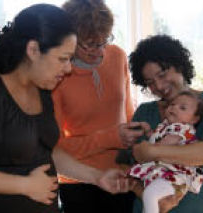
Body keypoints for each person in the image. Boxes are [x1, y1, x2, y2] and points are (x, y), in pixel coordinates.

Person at [0, 4, 129, 213]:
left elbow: (47, 152)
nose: (68, 68)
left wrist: (96, 176)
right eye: (63, 59)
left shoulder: (42, 91)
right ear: (33, 50)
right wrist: (24, 185)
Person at [124, 34, 203, 213]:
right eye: (150, 82)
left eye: (162, 74)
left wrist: (152, 151)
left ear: (180, 66)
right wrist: (148, 196)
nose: (159, 86)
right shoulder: (145, 111)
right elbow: (132, 168)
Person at [52, 0, 142, 212]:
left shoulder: (118, 56)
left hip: (123, 176)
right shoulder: (55, 73)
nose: (100, 51)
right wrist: (110, 138)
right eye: (90, 44)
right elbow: (54, 148)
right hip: (79, 181)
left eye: (104, 41)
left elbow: (128, 115)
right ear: (69, 39)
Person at [129, 91, 203, 213]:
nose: (174, 108)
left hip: (175, 176)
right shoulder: (165, 126)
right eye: (172, 104)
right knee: (150, 199)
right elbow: (155, 140)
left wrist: (146, 150)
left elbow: (161, 146)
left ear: (194, 119)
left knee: (150, 194)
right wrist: (149, 132)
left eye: (182, 108)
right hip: (164, 173)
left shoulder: (183, 129)